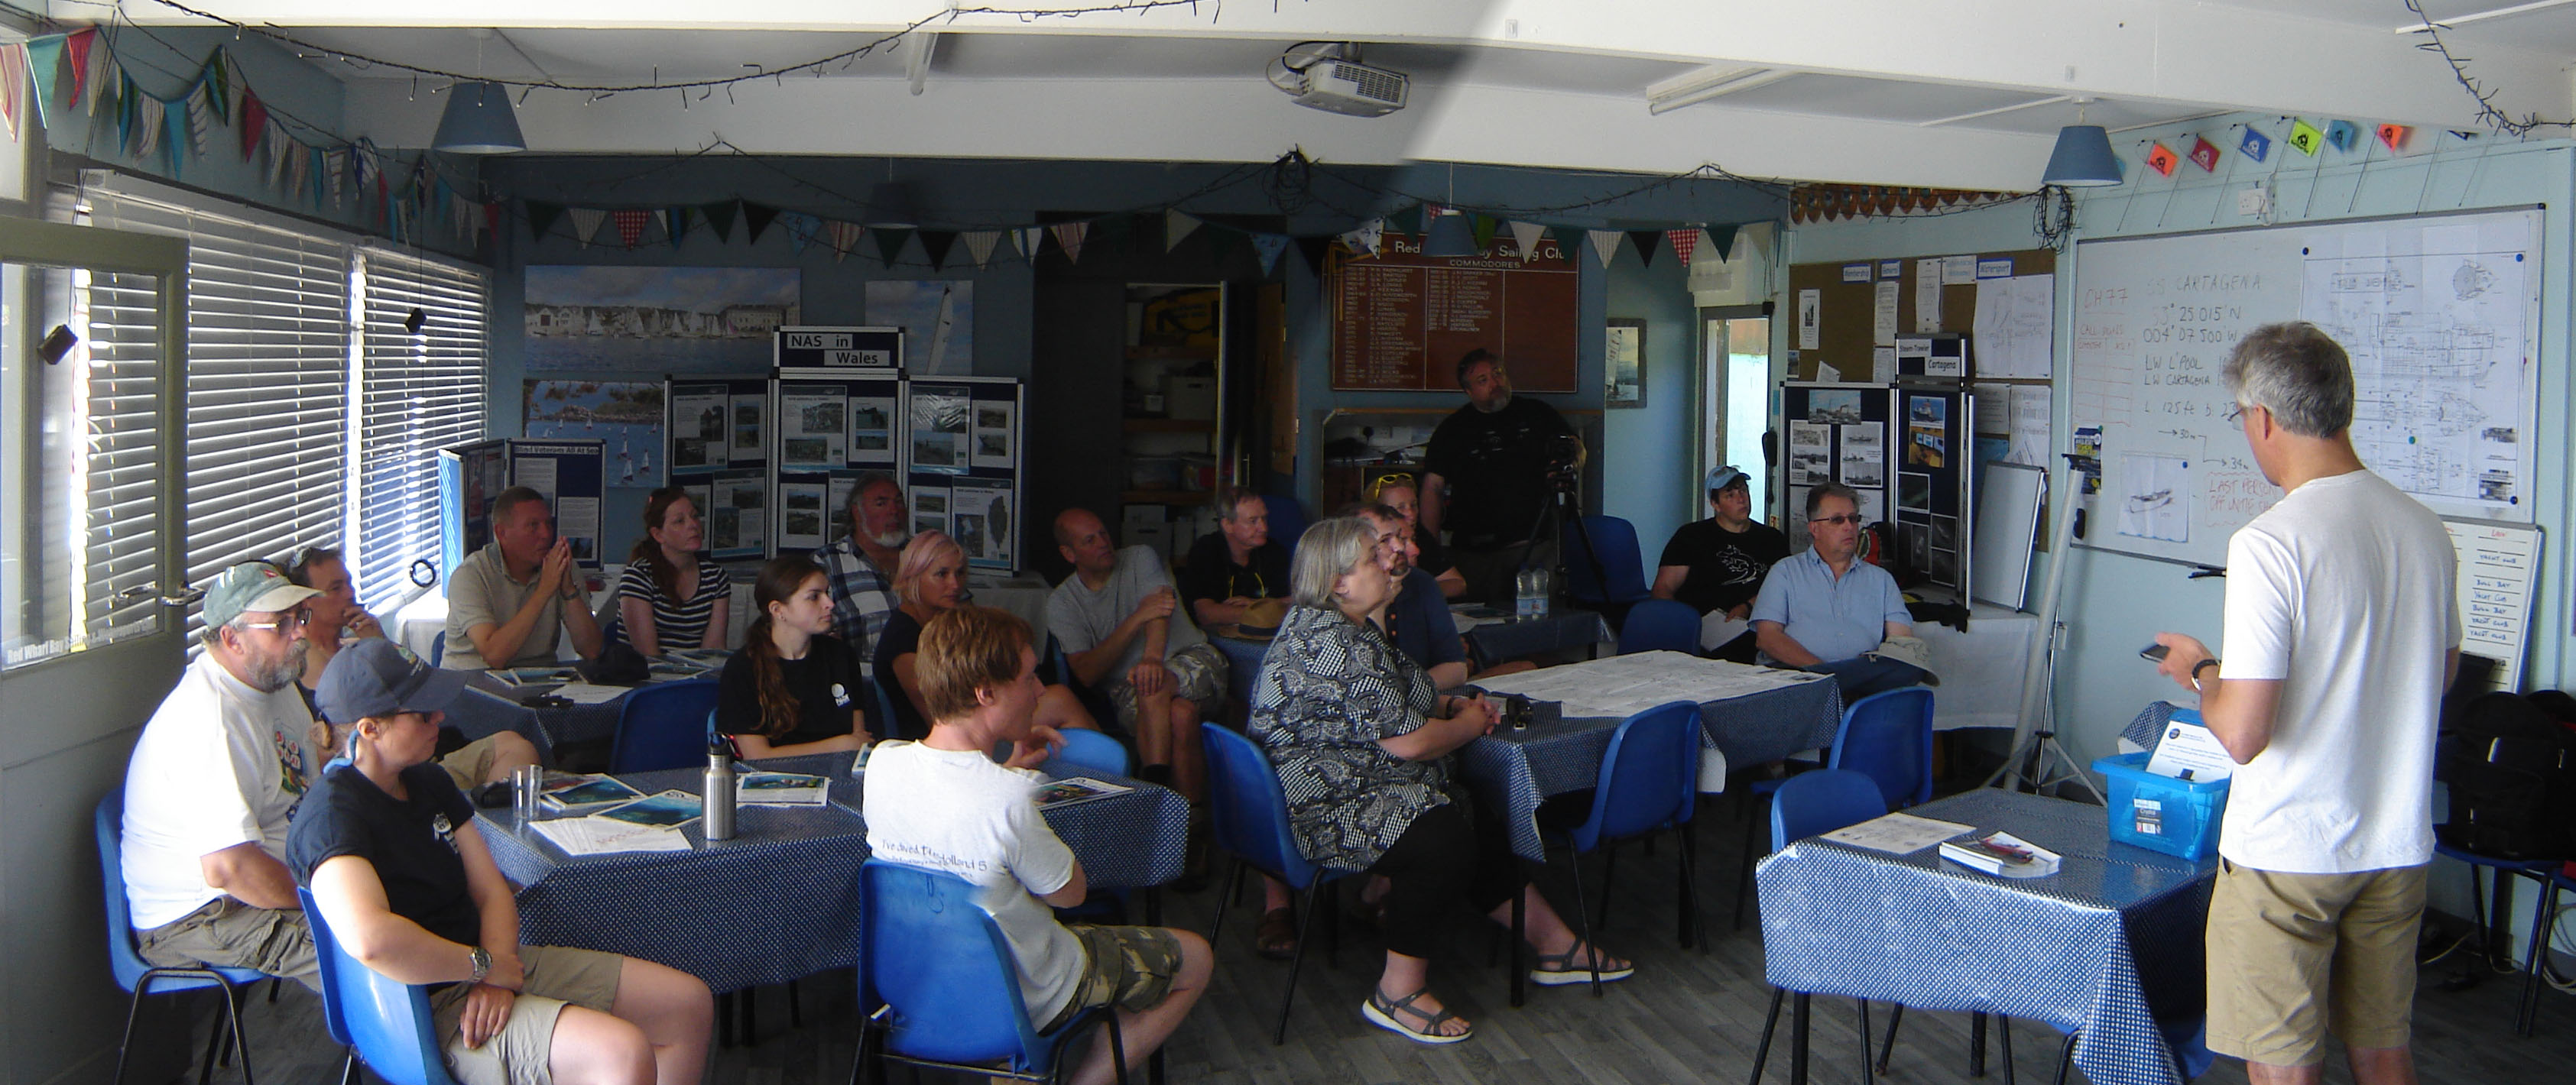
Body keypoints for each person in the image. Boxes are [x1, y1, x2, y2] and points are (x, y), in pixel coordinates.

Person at [2147, 322, 2459, 1085]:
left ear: (2262, 419)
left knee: (2284, 1063)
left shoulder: (2270, 542)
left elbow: (2244, 734)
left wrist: (2200, 671)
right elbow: (2441, 673)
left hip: (2289, 852)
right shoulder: (2424, 529)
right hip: (2393, 842)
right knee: (2383, 1048)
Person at [1252, 517, 1628, 1045]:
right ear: (1339, 582)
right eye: (1371, 558)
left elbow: (1406, 690)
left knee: (1470, 803)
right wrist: (1469, 723)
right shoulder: (1337, 644)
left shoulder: (1349, 626)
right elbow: (1408, 742)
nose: (1388, 562)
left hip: (1347, 783)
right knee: (1442, 837)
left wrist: (1452, 704)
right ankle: (1397, 992)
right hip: (1319, 806)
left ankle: (1555, 946)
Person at [294, 638, 713, 1085]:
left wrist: (494, 971)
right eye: (422, 713)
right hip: (420, 1005)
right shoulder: (332, 817)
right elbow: (372, 939)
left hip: (486, 965)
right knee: (621, 1054)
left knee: (688, 1003)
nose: (439, 718)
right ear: (369, 729)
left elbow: (490, 888)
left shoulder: (428, 781)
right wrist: (483, 967)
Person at [862, 606, 1212, 1085]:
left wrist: (1002, 773)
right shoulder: (1009, 798)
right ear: (986, 693)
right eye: (1029, 678)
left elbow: (951, 809)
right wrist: (1012, 786)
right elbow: (1070, 895)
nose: (1041, 690)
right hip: (1024, 990)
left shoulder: (883, 763)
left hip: (920, 982)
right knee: (1195, 956)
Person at [118, 562, 327, 988]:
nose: (300, 632)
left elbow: (306, 780)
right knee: (366, 945)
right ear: (231, 638)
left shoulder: (272, 680)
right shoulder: (208, 722)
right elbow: (231, 869)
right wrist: (332, 901)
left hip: (278, 874)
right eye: (280, 624)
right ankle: (434, 1044)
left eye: (301, 617)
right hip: (204, 914)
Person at [290, 546, 539, 793]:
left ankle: (475, 822)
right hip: (384, 779)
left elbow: (420, 692)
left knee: (515, 748)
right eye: (336, 588)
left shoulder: (361, 646)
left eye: (349, 583)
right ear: (305, 603)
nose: (350, 593)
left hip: (422, 762)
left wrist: (380, 645)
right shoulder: (296, 671)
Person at [1047, 508, 1221, 804]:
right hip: (1126, 688)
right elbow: (1087, 673)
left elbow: (1159, 614)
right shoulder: (1061, 602)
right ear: (1069, 553)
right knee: (1181, 715)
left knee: (1150, 681)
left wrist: (1151, 659)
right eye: (1090, 540)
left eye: (1103, 533)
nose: (1103, 542)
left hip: (1192, 658)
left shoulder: (1140, 557)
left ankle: (1152, 792)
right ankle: (1193, 823)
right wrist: (1136, 618)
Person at [875, 532, 1097, 743]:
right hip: (947, 736)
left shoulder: (944, 620)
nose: (954, 584)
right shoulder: (902, 640)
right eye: (942, 574)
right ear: (913, 576)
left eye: (960, 573)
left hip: (975, 715)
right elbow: (938, 716)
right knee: (1060, 701)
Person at [1419, 349, 1579, 605]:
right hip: (1472, 553)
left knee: (1537, 624)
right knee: (1480, 623)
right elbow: (1432, 488)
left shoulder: (1538, 414)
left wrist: (1569, 461)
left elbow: (1575, 447)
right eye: (1483, 380)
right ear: (1469, 391)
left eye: (1498, 373)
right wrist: (1429, 548)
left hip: (1535, 546)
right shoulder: (1452, 430)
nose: (1495, 383)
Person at [1749, 482, 1925, 702]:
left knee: (1909, 668)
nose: (1849, 527)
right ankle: (1839, 688)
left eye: (1853, 519)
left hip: (1860, 680)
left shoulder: (1881, 580)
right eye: (1837, 520)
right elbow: (1767, 639)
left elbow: (1902, 641)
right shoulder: (1785, 572)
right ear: (1814, 528)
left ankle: (1842, 689)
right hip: (1799, 678)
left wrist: (1852, 674)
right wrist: (1824, 674)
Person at [1351, 504, 1533, 691]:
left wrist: (1410, 693)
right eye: (1386, 540)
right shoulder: (1343, 601)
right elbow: (1372, 688)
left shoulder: (1422, 582)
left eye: (1402, 538)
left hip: (1424, 699)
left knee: (1527, 667)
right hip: (1387, 709)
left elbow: (1456, 667)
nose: (1409, 549)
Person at [714, 555, 872, 759]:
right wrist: (838, 745)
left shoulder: (841, 654)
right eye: (814, 597)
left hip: (839, 770)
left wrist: (847, 745)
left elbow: (857, 736)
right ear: (778, 610)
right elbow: (757, 756)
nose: (830, 604)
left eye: (827, 593)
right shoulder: (743, 668)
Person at [443, 487, 605, 670]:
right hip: (474, 682)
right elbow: (494, 656)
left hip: (539, 681)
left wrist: (569, 591)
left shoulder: (559, 566)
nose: (546, 534)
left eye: (548, 524)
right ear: (502, 533)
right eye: (533, 526)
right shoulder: (470, 575)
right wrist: (545, 590)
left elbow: (591, 650)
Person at [1653, 466, 1790, 662]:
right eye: (1730, 495)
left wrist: (1748, 606)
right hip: (1703, 632)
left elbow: (1785, 588)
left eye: (1743, 490)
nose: (1741, 499)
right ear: (1715, 504)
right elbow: (1663, 588)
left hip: (1757, 625)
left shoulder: (1771, 539)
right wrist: (1680, 624)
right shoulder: (1691, 537)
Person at [811, 472, 908, 679]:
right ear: (857, 513)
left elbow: (967, 619)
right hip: (862, 682)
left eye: (899, 502)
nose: (894, 511)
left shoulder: (926, 554)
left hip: (929, 681)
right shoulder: (827, 563)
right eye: (881, 504)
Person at [617, 487, 732, 657]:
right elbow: (648, 655)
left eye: (694, 516)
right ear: (658, 535)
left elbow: (713, 650)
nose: (693, 525)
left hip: (696, 675)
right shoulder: (638, 577)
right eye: (680, 521)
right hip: (647, 676)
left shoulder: (715, 576)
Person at [1178, 487, 1290, 628]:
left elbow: (1293, 602)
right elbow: (1206, 614)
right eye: (1253, 521)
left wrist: (1256, 605)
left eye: (1264, 518)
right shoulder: (1206, 550)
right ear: (1228, 525)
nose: (1264, 528)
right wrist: (1261, 611)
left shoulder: (1274, 550)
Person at [1366, 471, 1466, 600]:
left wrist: (1418, 591)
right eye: (1400, 508)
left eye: (1413, 505)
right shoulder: (1366, 540)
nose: (1411, 514)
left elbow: (1458, 584)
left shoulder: (1421, 534)